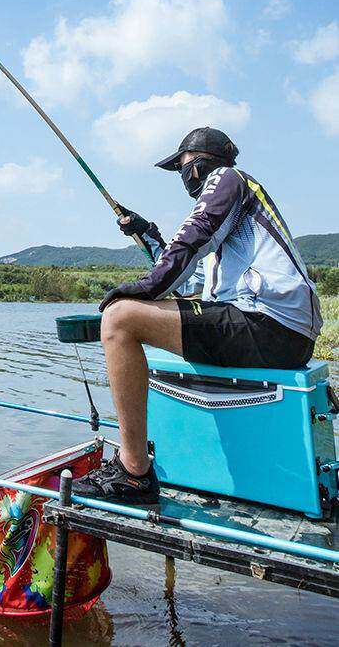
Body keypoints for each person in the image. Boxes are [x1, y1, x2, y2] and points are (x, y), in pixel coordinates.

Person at [70, 126, 322, 505]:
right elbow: (190, 281)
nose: (182, 176)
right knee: (135, 314)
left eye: (183, 166)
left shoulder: (228, 178)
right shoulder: (236, 227)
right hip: (276, 331)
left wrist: (146, 288)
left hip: (267, 323)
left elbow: (194, 235)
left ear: (201, 164)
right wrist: (148, 233)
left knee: (120, 318)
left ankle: (133, 473)